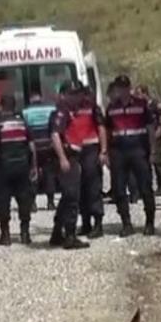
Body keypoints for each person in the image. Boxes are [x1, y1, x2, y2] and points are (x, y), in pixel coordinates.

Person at [49, 84, 102, 250]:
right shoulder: (62, 111)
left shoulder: (72, 110)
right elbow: (55, 134)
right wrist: (63, 158)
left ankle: (57, 232)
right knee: (72, 197)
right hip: (67, 157)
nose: (78, 97)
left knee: (67, 197)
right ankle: (70, 236)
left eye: (78, 94)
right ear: (65, 95)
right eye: (73, 94)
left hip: (73, 155)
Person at [105, 76, 157, 235]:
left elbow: (150, 129)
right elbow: (107, 132)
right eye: (119, 87)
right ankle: (126, 224)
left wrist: (153, 151)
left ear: (129, 88)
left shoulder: (141, 105)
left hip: (138, 150)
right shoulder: (111, 108)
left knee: (145, 187)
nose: (122, 90)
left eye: (124, 87)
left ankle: (149, 223)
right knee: (119, 189)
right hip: (118, 152)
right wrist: (106, 152)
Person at [0, 95, 36, 246]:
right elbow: (32, 146)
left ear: (1, 107)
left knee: (3, 202)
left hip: (3, 169)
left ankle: (6, 235)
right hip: (22, 167)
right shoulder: (22, 123)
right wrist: (34, 166)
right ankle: (25, 233)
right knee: (24, 200)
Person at [22, 92, 56, 211]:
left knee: (32, 174)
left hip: (33, 148)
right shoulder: (51, 108)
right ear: (41, 98)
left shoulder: (25, 112)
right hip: (48, 146)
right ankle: (51, 202)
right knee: (49, 174)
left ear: (31, 99)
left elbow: (25, 130)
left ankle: (33, 204)